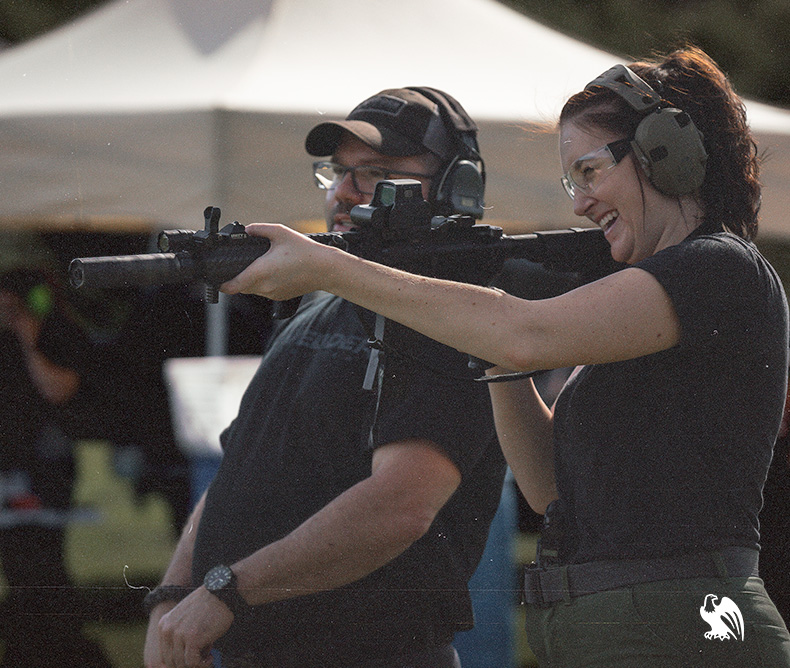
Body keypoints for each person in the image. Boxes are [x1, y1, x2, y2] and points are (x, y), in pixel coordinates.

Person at [221, 47, 790, 666]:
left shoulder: (717, 268)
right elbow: (549, 487)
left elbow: (526, 334)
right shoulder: (645, 300)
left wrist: (330, 267)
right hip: (621, 629)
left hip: (685, 624)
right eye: (574, 182)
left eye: (591, 171)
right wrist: (489, 351)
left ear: (663, 152)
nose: (580, 203)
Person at [143, 87, 506, 668]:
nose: (343, 193)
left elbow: (401, 504)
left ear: (456, 189)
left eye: (374, 175)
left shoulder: (458, 317)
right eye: (337, 173)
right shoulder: (316, 305)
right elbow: (241, 469)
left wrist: (227, 590)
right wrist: (173, 593)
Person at [0, 268, 112, 668]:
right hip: (10, 464)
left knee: (42, 559)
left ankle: (58, 647)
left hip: (46, 465)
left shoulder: (58, 335)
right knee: (21, 563)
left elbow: (58, 388)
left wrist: (29, 339)